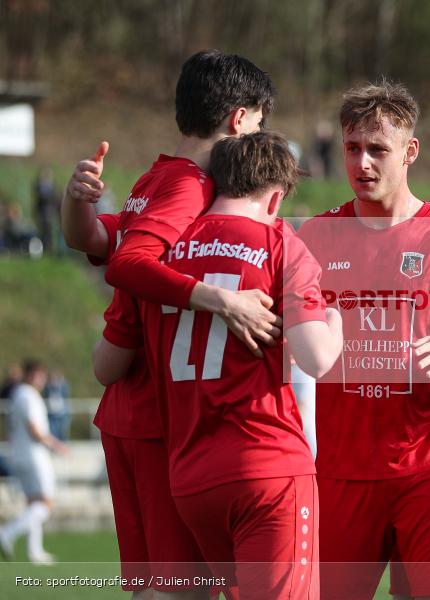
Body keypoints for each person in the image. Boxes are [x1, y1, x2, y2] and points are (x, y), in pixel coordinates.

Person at [61, 50, 279, 599]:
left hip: (126, 417)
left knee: (151, 589)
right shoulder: (193, 187)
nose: (257, 135)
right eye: (258, 121)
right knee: (180, 590)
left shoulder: (156, 175)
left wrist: (75, 205)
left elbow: (96, 239)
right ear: (238, 118)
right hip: (158, 419)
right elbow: (129, 263)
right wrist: (221, 301)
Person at [93, 131, 342, 599]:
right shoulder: (280, 242)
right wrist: (335, 319)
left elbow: (108, 360)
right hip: (266, 467)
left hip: (190, 475)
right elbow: (318, 357)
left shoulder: (160, 251)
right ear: (276, 197)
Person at [297, 81, 430, 600]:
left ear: (409, 152)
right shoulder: (313, 239)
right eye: (352, 148)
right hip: (340, 471)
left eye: (378, 150)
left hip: (429, 466)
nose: (363, 163)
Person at [0, 359, 67, 565]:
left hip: (19, 453)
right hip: (34, 455)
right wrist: (56, 445)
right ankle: (7, 532)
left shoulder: (18, 394)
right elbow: (34, 428)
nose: (42, 380)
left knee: (33, 502)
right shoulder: (29, 396)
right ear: (31, 375)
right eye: (40, 375)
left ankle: (34, 551)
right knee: (45, 504)